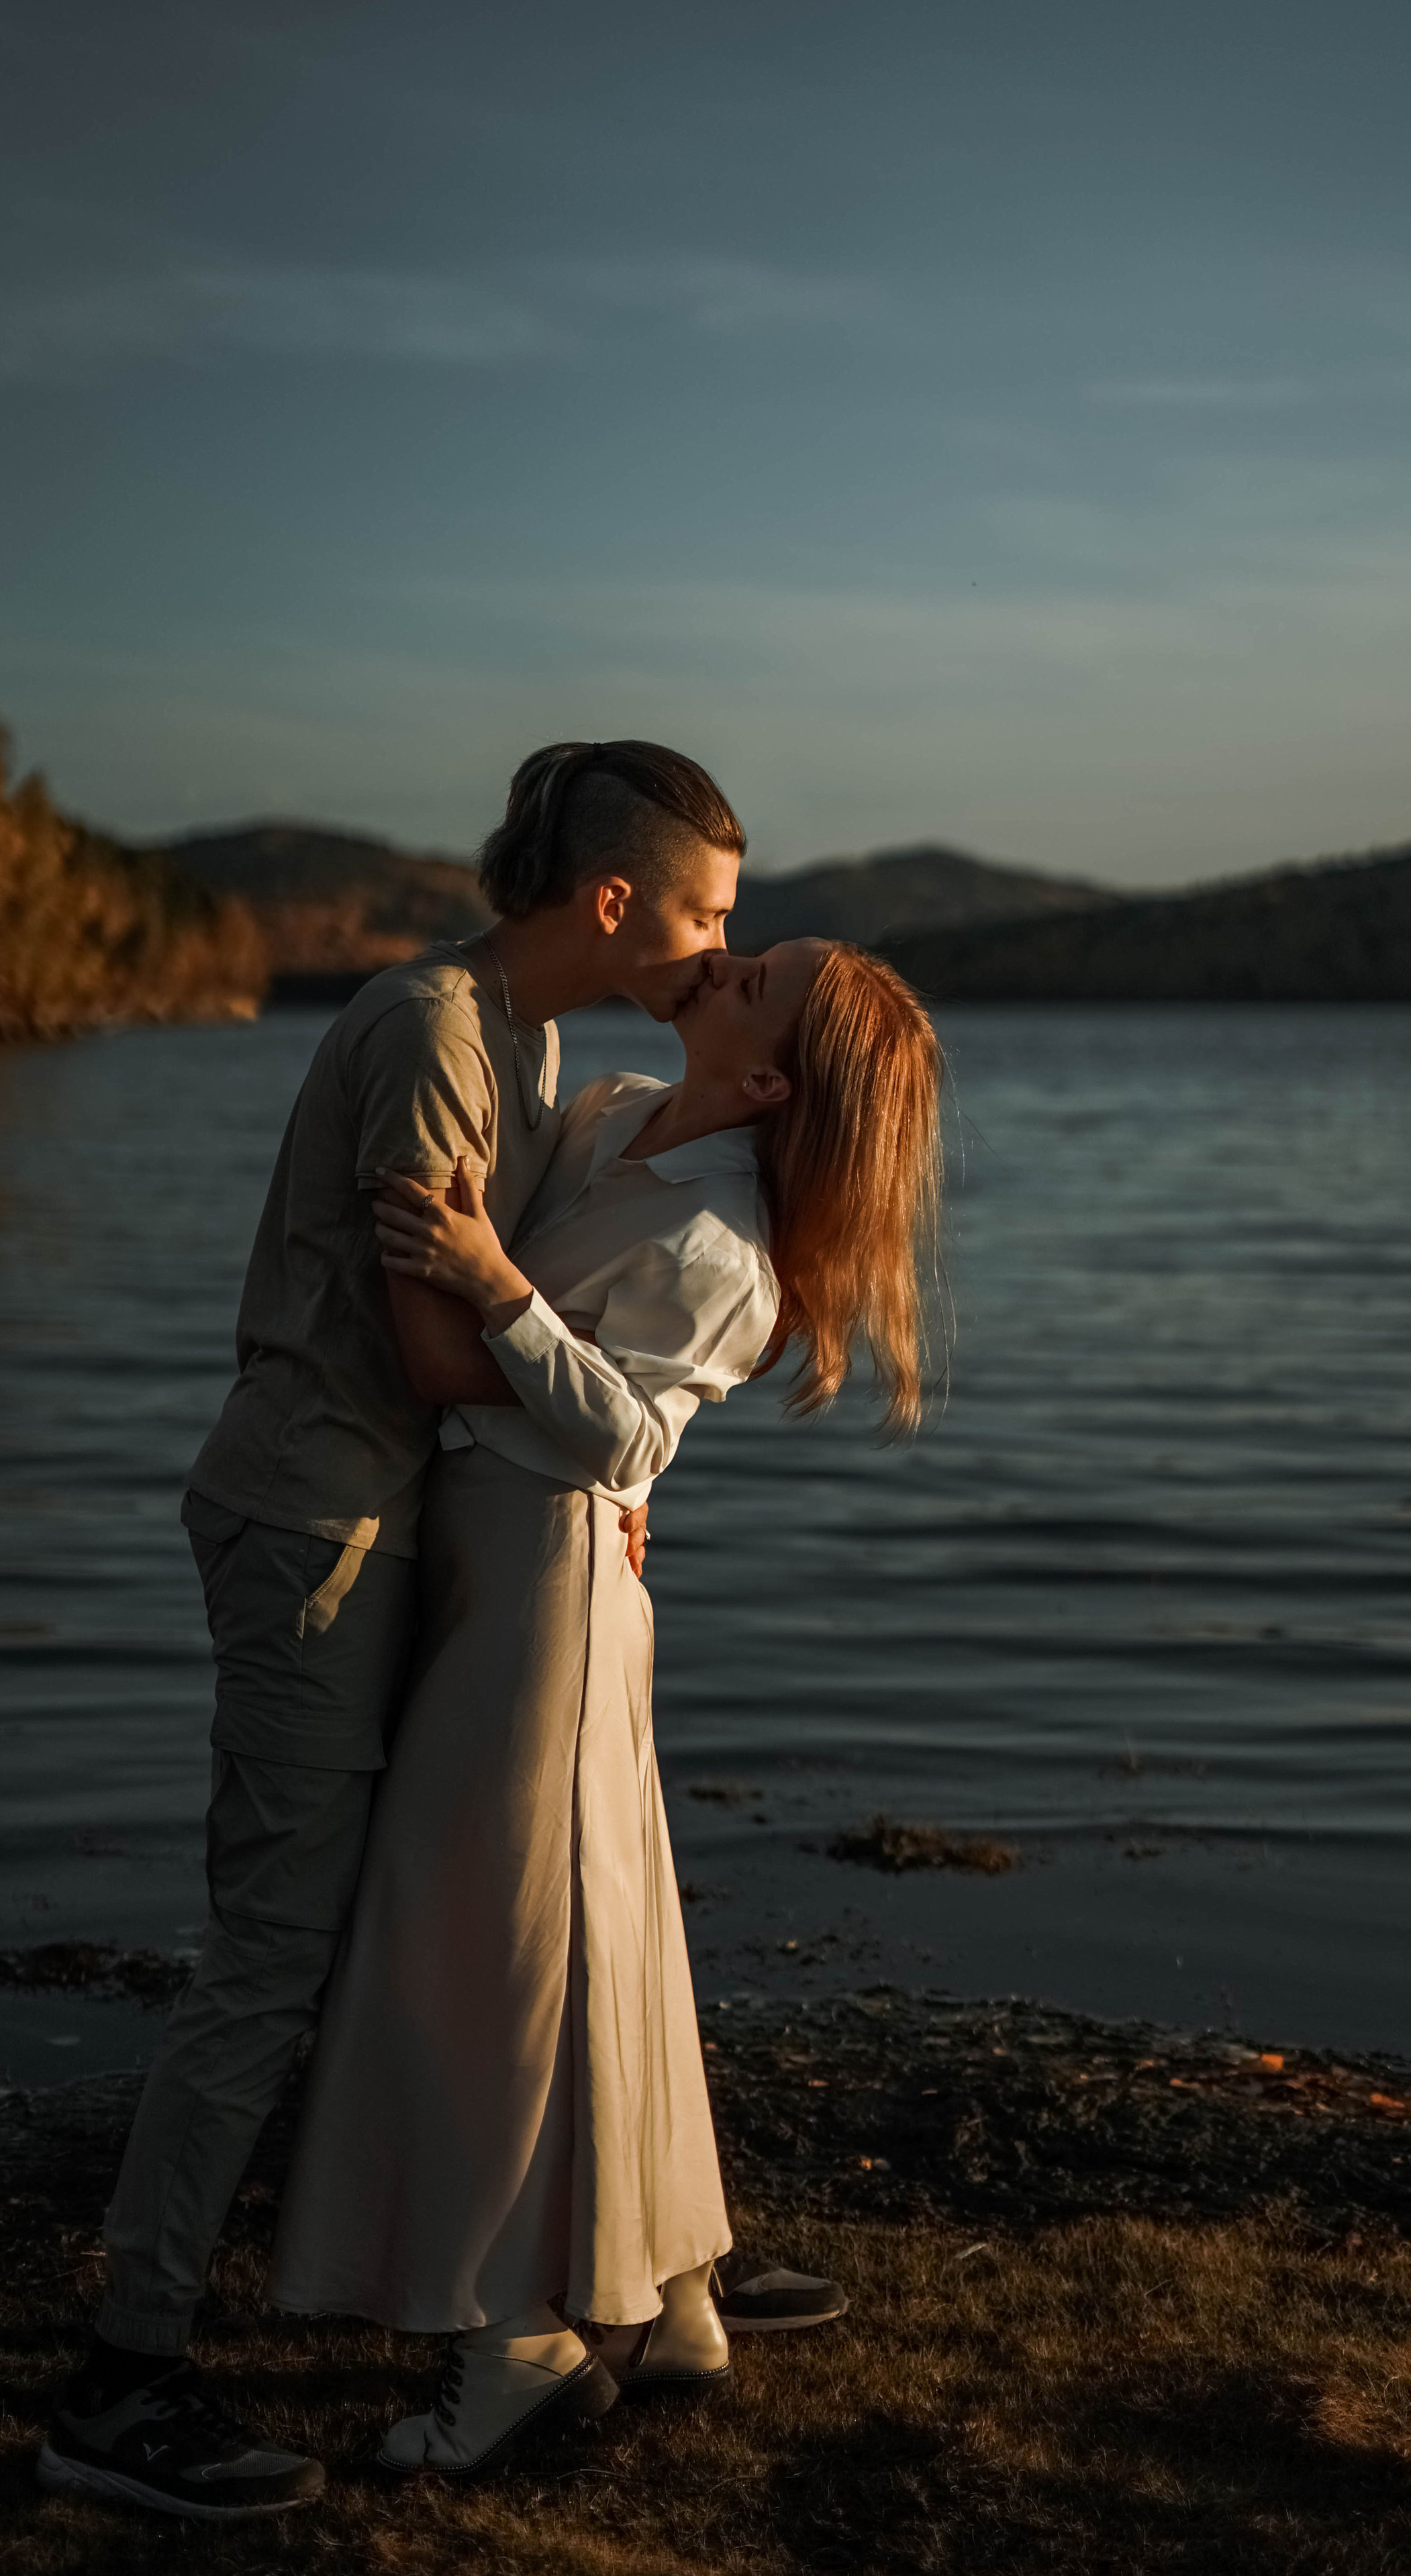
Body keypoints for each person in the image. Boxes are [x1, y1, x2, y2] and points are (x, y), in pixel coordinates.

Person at [38, 740, 747, 2522]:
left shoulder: (537, 1049)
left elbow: (502, 1340)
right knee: (275, 1945)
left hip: (385, 1524)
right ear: (613, 900)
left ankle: (557, 2263)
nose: (721, 949)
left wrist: (595, 1453)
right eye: (708, 911)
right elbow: (440, 1357)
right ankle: (123, 2378)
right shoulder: (435, 1033)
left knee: (352, 1931)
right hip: (315, 1529)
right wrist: (590, 1439)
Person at [262, 937, 945, 2479]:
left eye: (756, 976)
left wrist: (498, 1291)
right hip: (493, 1564)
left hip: (553, 1587)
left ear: (765, 1078)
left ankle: (511, 2343)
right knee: (590, 1931)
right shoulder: (615, 1107)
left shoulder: (728, 1246)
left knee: (494, 1948)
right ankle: (666, 2301)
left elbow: (629, 1441)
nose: (725, 956)